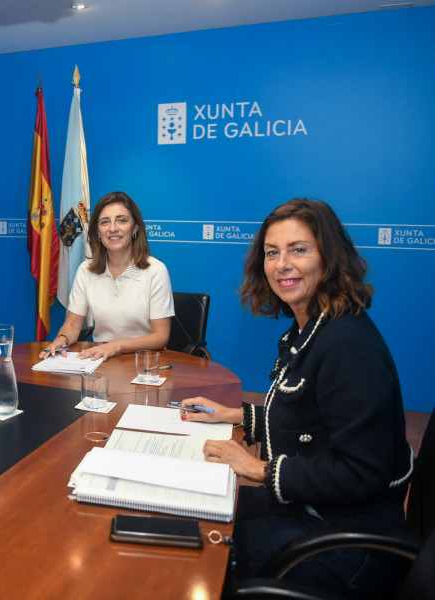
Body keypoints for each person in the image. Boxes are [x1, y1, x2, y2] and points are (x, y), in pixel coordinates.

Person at [180, 199, 414, 598]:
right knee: (194, 511)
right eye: (272, 253)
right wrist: (237, 415)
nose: (281, 264)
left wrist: (258, 470)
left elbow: (361, 473)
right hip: (314, 512)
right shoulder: (312, 326)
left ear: (330, 257)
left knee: (198, 549)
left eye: (299, 249)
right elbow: (313, 419)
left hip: (346, 543)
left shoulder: (346, 345)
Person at [40, 191, 174, 361]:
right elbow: (73, 324)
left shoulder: (155, 270)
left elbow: (160, 336)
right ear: (97, 230)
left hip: (144, 363)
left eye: (122, 220)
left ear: (135, 227)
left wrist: (115, 346)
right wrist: (62, 339)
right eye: (105, 222)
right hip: (101, 361)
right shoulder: (86, 270)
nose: (112, 228)